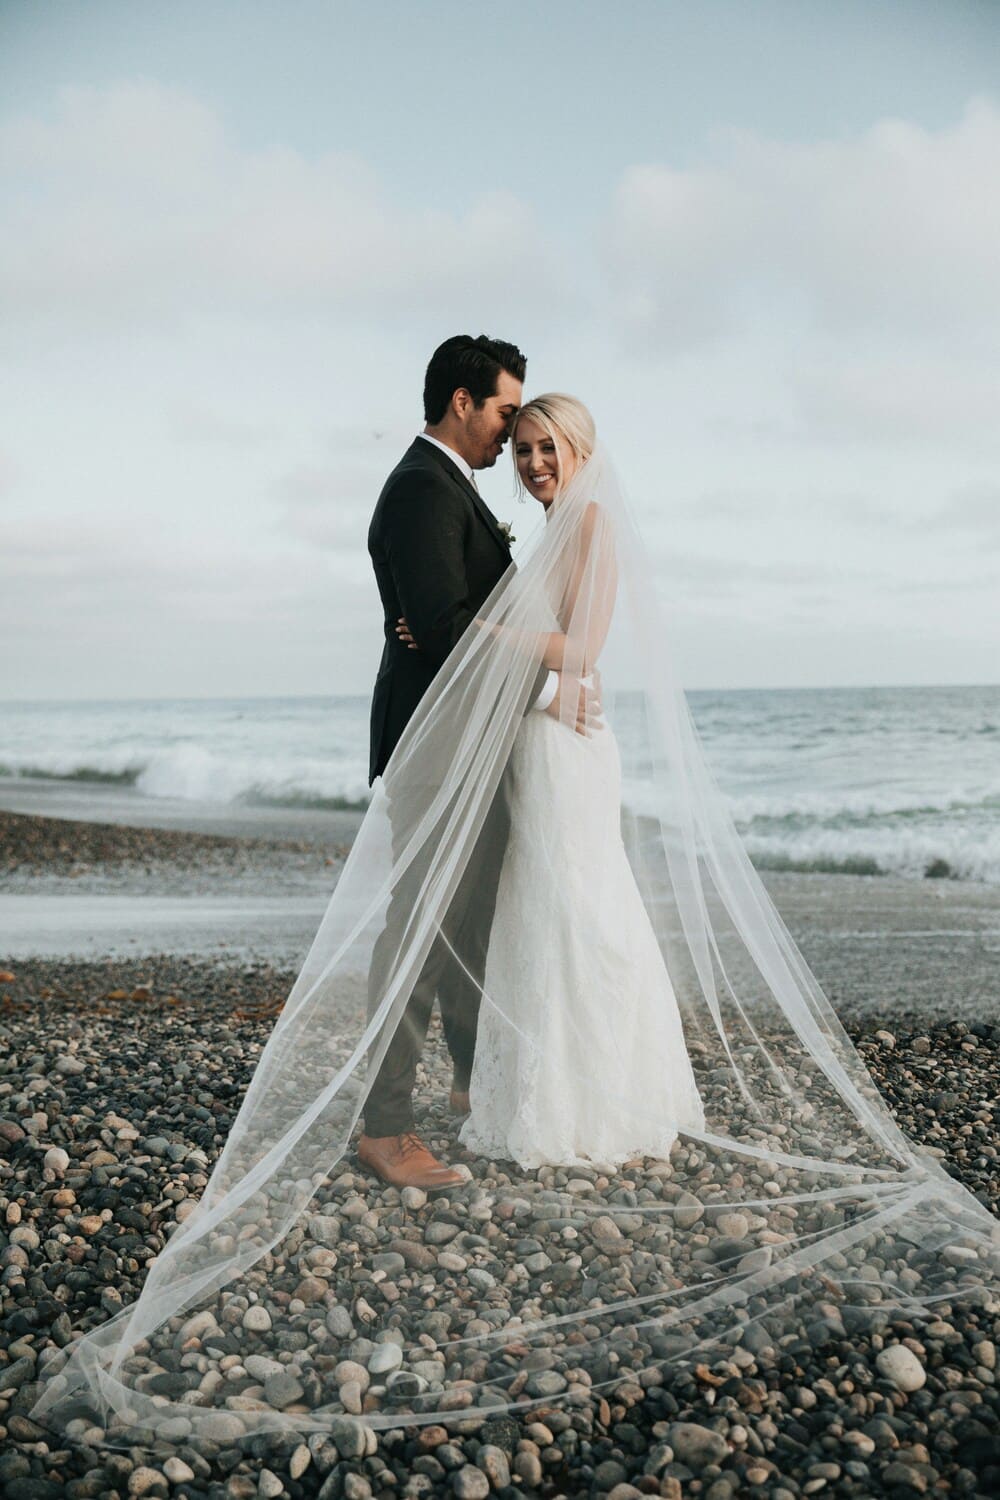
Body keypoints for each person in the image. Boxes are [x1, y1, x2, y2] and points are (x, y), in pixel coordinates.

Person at [361, 337, 598, 1189]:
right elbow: (449, 632)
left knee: (471, 926)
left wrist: (542, 682)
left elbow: (452, 619)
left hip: (479, 736)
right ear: (463, 402)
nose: (511, 435)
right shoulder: (424, 488)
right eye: (505, 412)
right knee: (420, 930)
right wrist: (546, 666)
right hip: (440, 741)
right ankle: (385, 1126)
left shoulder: (449, 489)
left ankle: (470, 1086)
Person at [455, 395, 706, 1165]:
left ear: (581, 451)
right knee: (539, 910)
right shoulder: (553, 528)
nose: (533, 463)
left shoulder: (592, 523)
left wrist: (478, 628)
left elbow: (583, 648)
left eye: (547, 449)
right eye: (524, 449)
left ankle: (608, 1100)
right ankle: (546, 1096)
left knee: (584, 911)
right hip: (540, 741)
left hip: (570, 749)